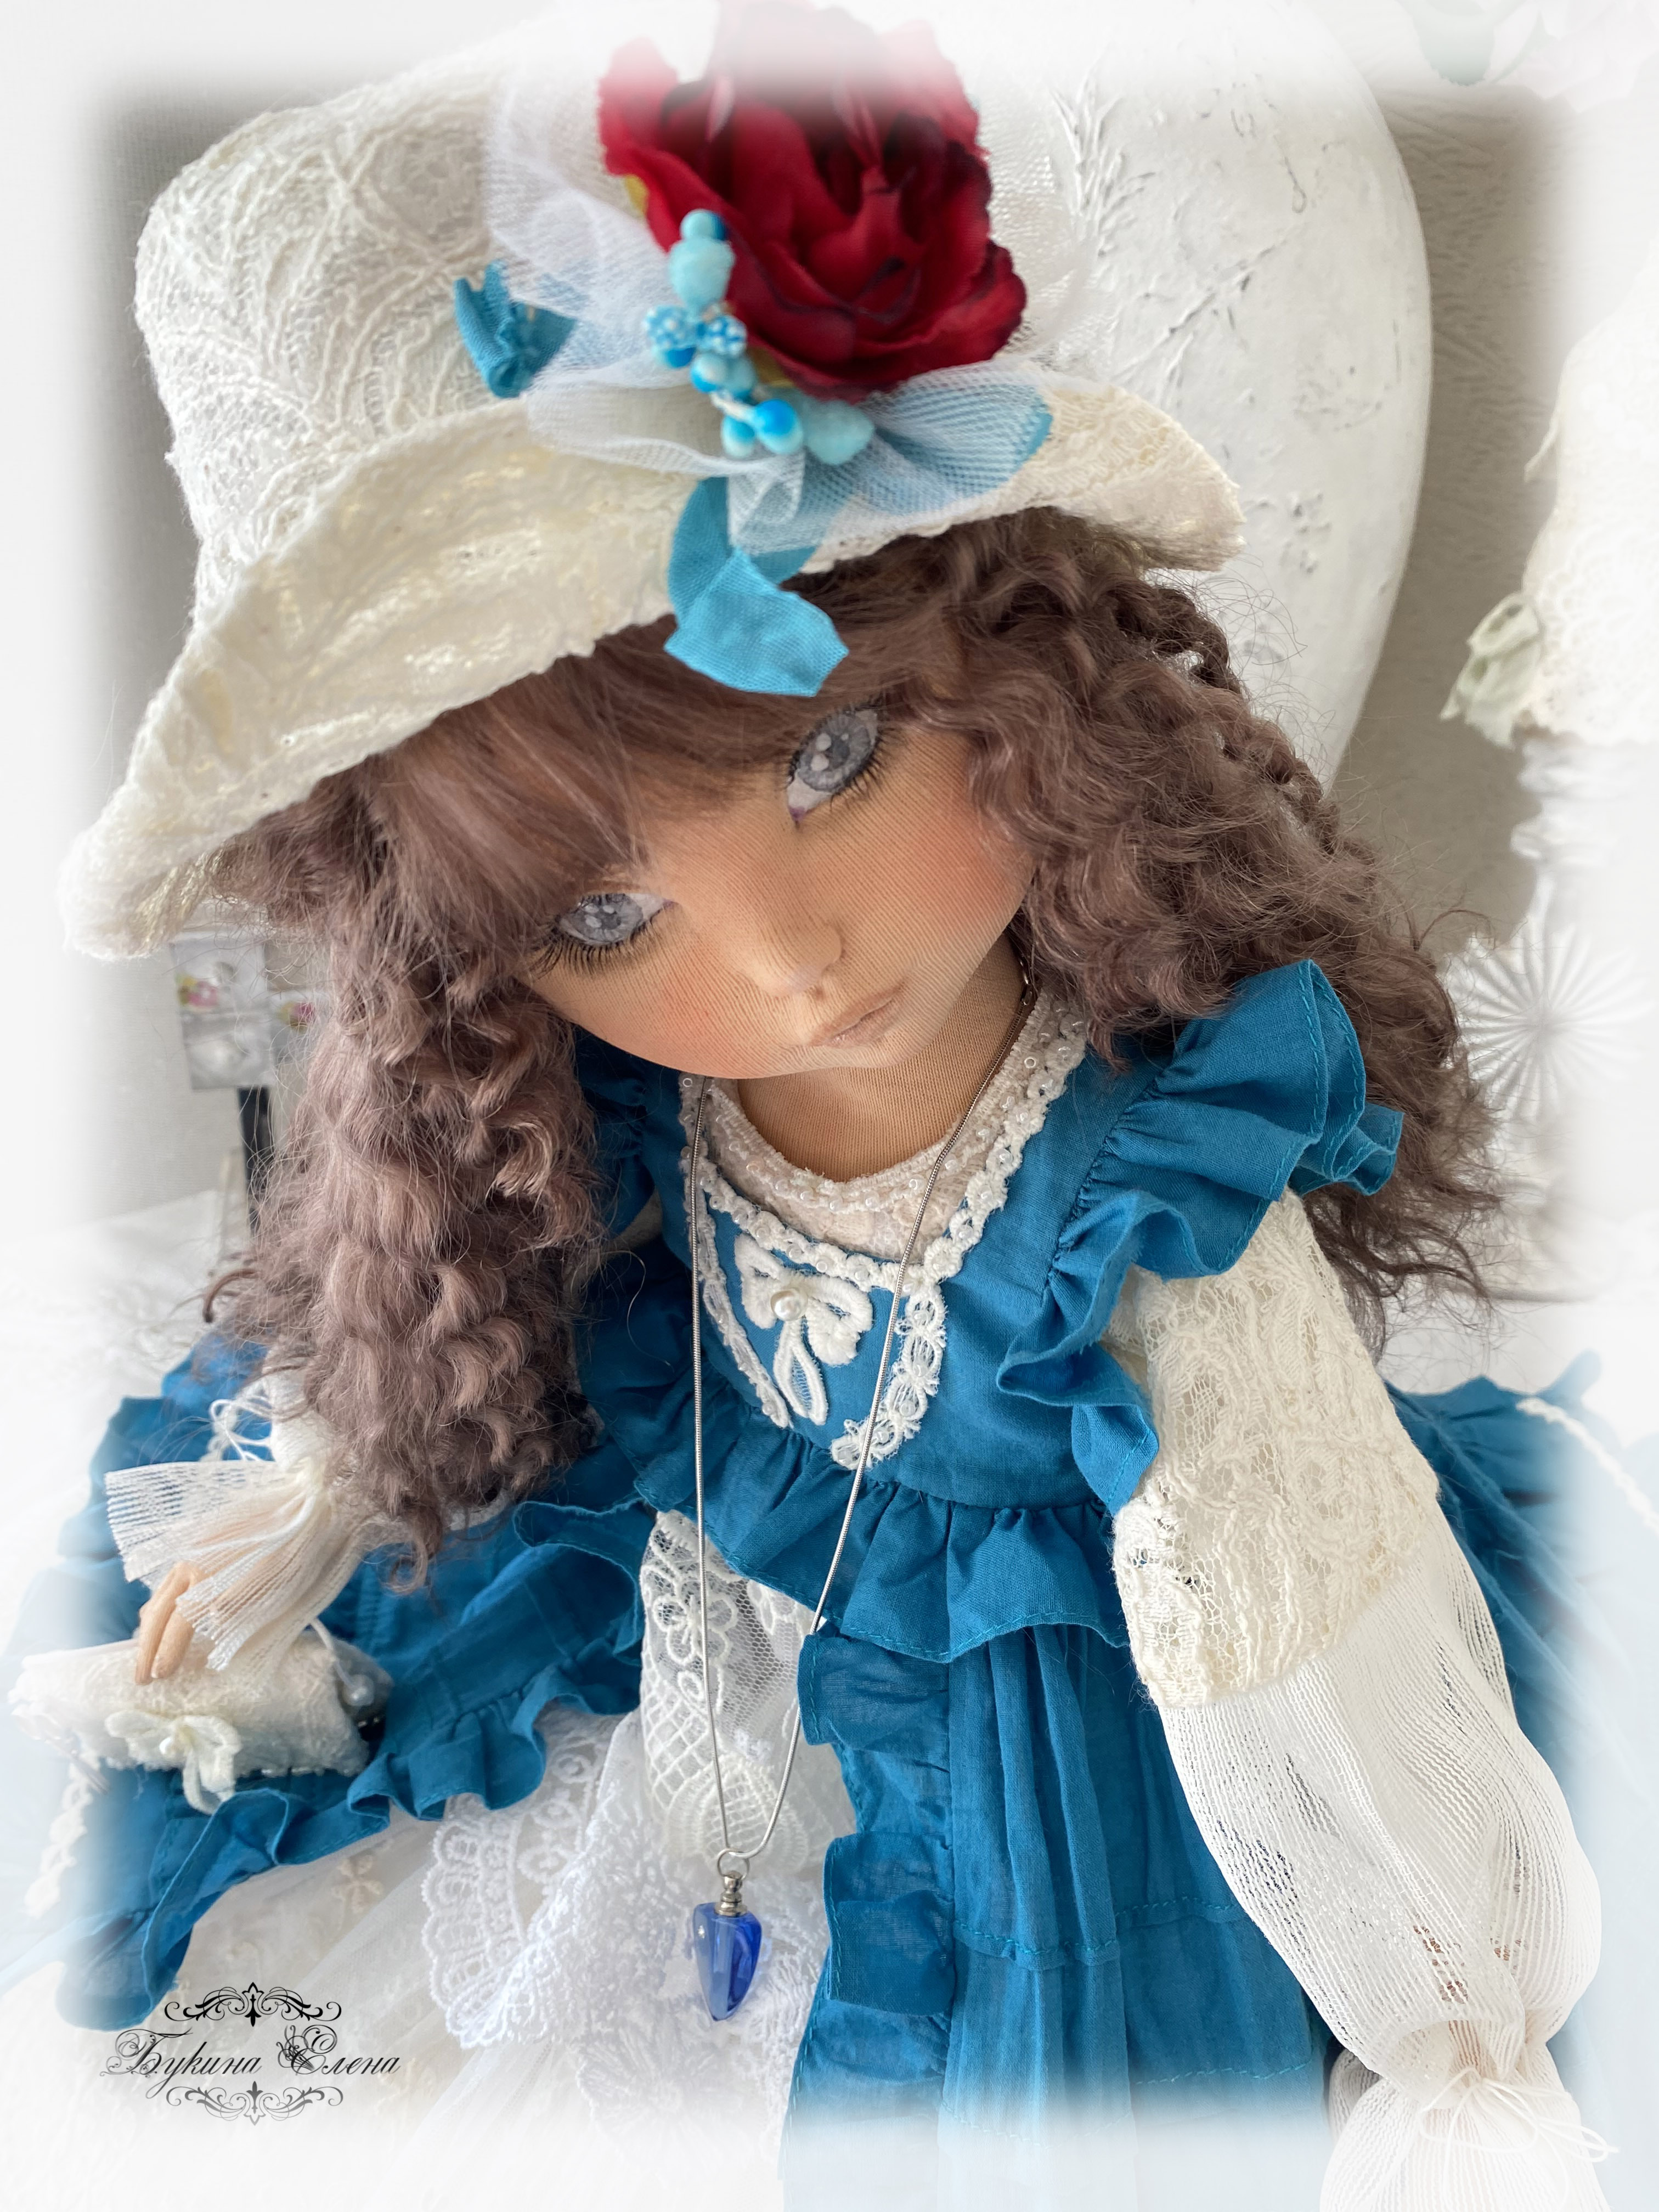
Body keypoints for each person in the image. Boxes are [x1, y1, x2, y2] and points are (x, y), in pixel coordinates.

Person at [0, 7, 1613, 2207]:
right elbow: (525, 1337)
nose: (786, 968)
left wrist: (1456, 2040)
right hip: (724, 1655)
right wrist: (306, 1501)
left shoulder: (1143, 1208)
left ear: (1024, 687)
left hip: (1087, 1741)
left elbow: (1307, 1632)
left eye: (835, 760)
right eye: (600, 915)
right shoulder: (634, 1116)